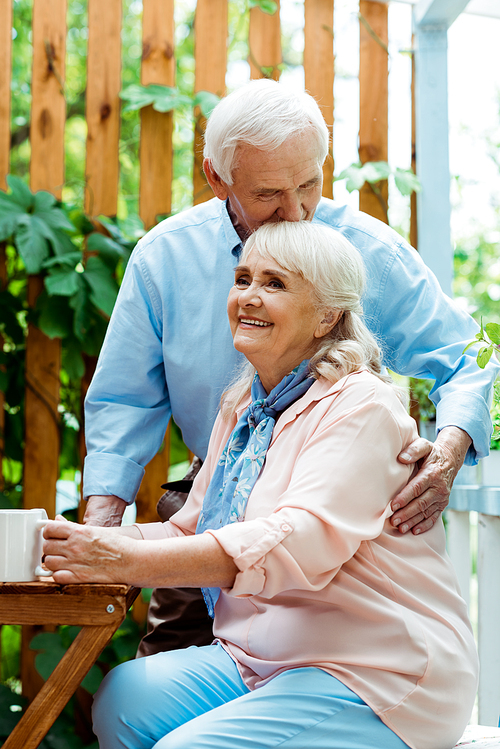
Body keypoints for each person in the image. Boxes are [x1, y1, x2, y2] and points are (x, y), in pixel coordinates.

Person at [81, 79, 497, 654]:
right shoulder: (164, 257)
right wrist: (98, 530)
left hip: (343, 518)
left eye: (310, 184)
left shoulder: (367, 248)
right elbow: (124, 404)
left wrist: (447, 456)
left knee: (322, 688)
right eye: (271, 193)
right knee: (158, 688)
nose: (298, 211)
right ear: (217, 178)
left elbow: (468, 357)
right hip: (212, 498)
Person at [43, 222, 478, 749]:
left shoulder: (362, 405)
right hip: (262, 657)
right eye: (243, 278)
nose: (248, 296)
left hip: (376, 668)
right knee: (124, 700)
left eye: (275, 284)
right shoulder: (245, 403)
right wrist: (86, 546)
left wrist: (128, 563)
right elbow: (191, 525)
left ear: (327, 316)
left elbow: (297, 541)